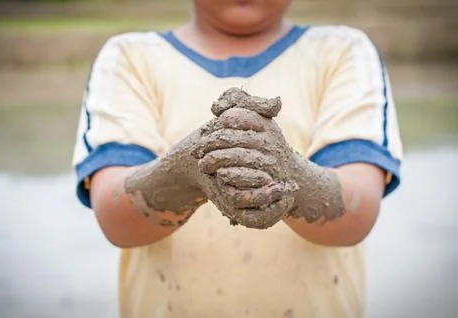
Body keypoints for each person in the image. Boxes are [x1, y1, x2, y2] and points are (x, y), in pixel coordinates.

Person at [72, 0, 403, 317]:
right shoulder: (130, 57)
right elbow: (116, 220)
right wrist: (189, 168)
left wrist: (291, 174)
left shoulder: (344, 51)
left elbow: (357, 213)